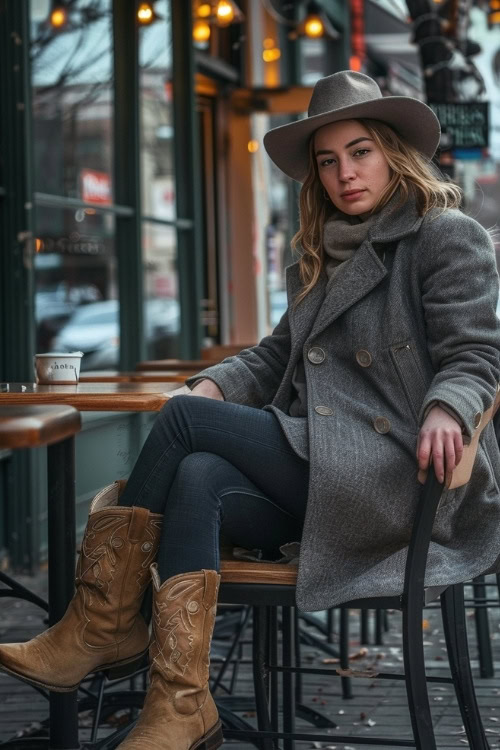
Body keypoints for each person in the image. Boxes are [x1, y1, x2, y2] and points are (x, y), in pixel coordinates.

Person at [1, 70, 500, 750]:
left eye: (360, 152)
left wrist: (448, 405)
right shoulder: (318, 259)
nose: (344, 173)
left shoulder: (443, 235)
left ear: (393, 152)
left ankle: (101, 628)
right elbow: (272, 358)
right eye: (328, 161)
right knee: (198, 471)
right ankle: (180, 701)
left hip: (400, 474)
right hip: (327, 473)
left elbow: (476, 355)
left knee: (181, 426)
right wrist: (208, 388)